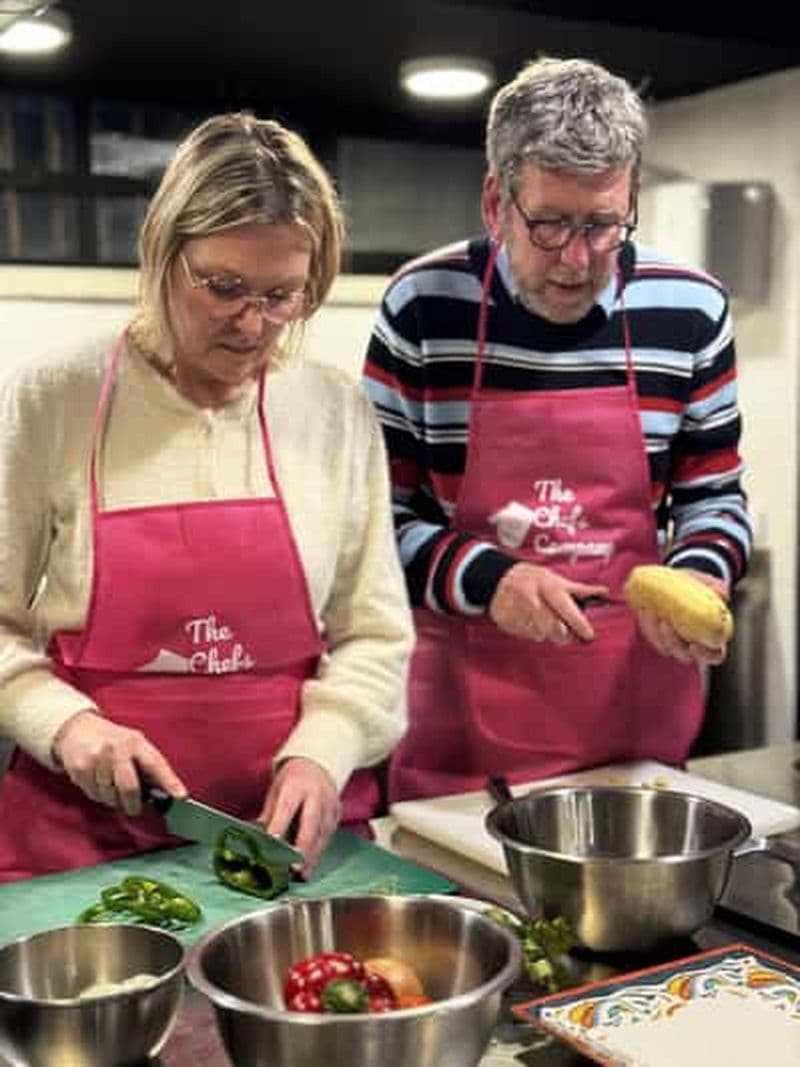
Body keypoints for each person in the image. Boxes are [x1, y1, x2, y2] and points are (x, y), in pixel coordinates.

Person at [0, 112, 413, 881]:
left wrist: (324, 753)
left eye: (283, 295)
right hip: (80, 845)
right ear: (163, 253)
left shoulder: (334, 410)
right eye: (223, 287)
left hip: (288, 846)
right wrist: (69, 725)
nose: (254, 324)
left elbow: (375, 633)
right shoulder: (54, 398)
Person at [363, 56, 752, 802]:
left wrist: (701, 571)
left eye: (602, 224)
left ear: (631, 197)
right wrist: (492, 580)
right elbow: (374, 521)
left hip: (634, 732)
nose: (576, 259)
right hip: (462, 747)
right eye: (549, 224)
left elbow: (715, 498)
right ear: (495, 202)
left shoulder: (692, 309)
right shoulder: (422, 304)